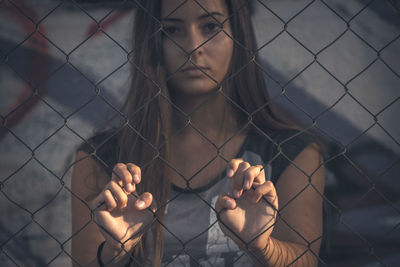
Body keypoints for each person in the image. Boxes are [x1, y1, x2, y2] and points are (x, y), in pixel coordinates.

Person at [71, 0, 325, 266]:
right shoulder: (102, 158)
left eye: (211, 26)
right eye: (171, 30)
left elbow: (305, 260)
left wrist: (262, 246)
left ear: (238, 34)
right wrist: (116, 251)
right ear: (152, 41)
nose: (193, 47)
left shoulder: (291, 151)